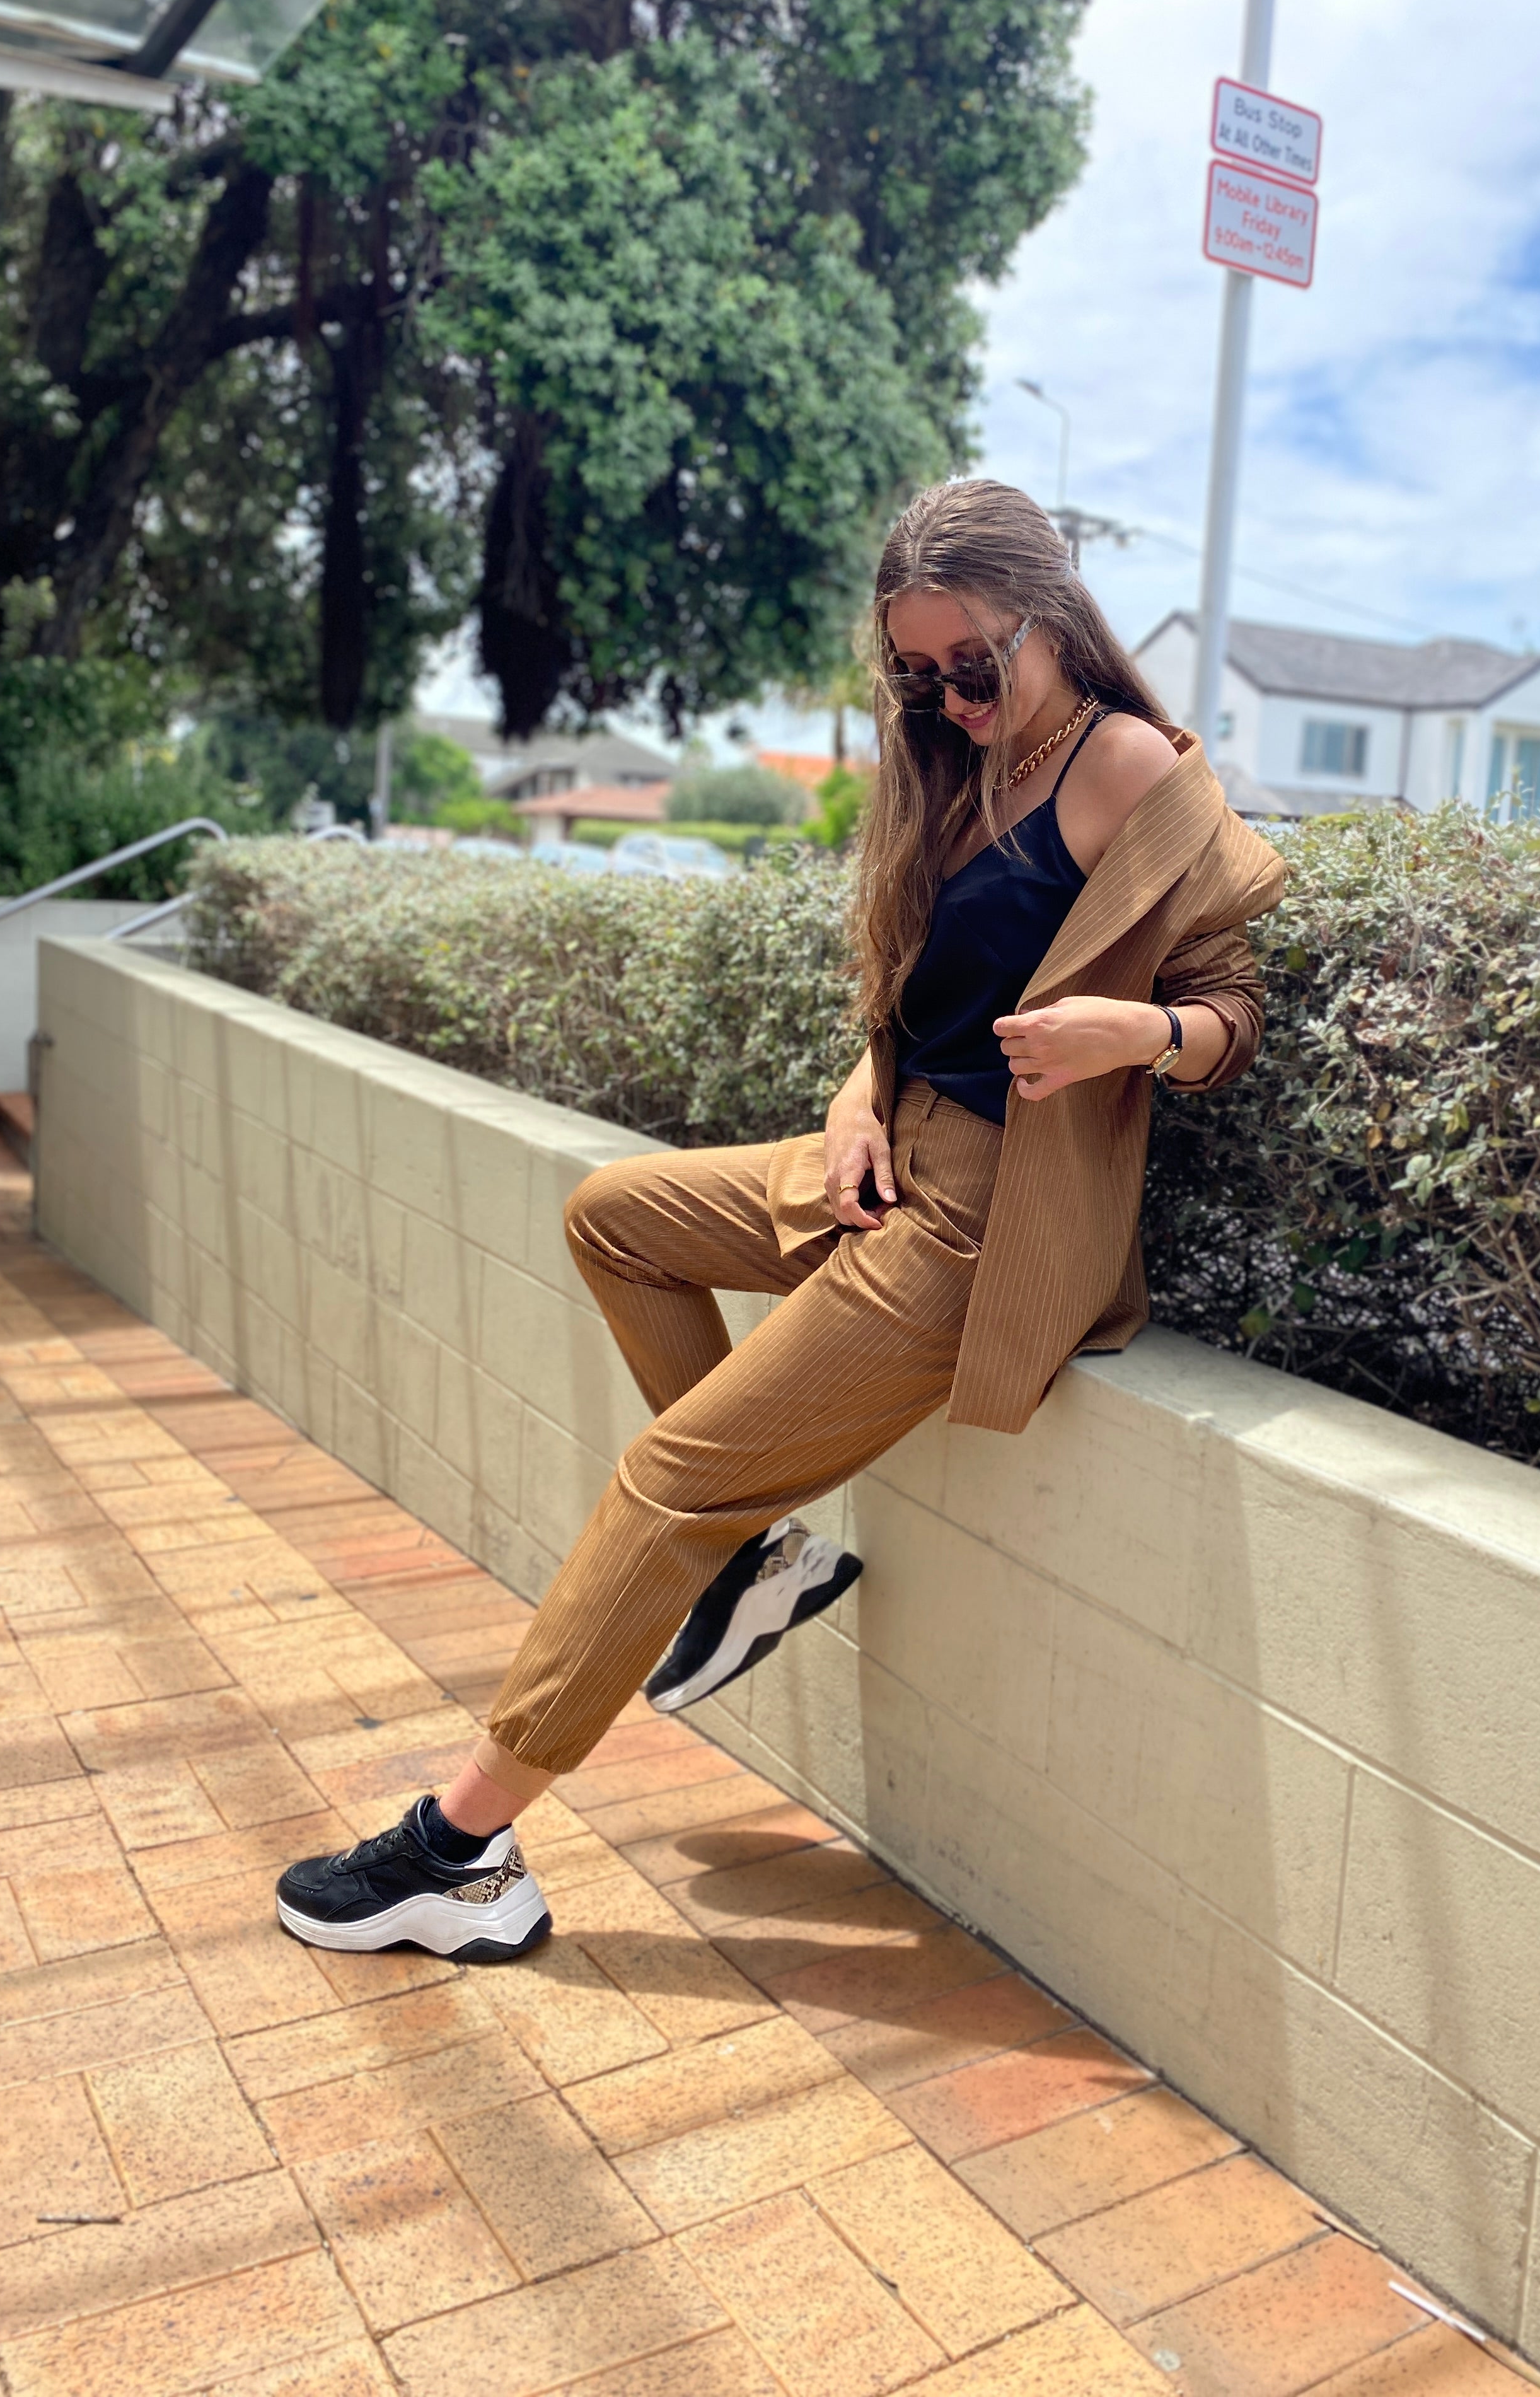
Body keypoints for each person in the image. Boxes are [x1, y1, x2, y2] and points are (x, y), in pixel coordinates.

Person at [273, 479, 1288, 1962]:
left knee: (663, 1486)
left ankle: (462, 1850)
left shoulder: (1131, 769)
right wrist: (856, 1093)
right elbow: (908, 1000)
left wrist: (1135, 1035)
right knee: (614, 1217)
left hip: (986, 1225)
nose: (949, 699)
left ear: (1051, 614)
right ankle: (758, 1557)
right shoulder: (949, 766)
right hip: (884, 1160)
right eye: (918, 675)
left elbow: (1232, 1014)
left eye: (974, 664)